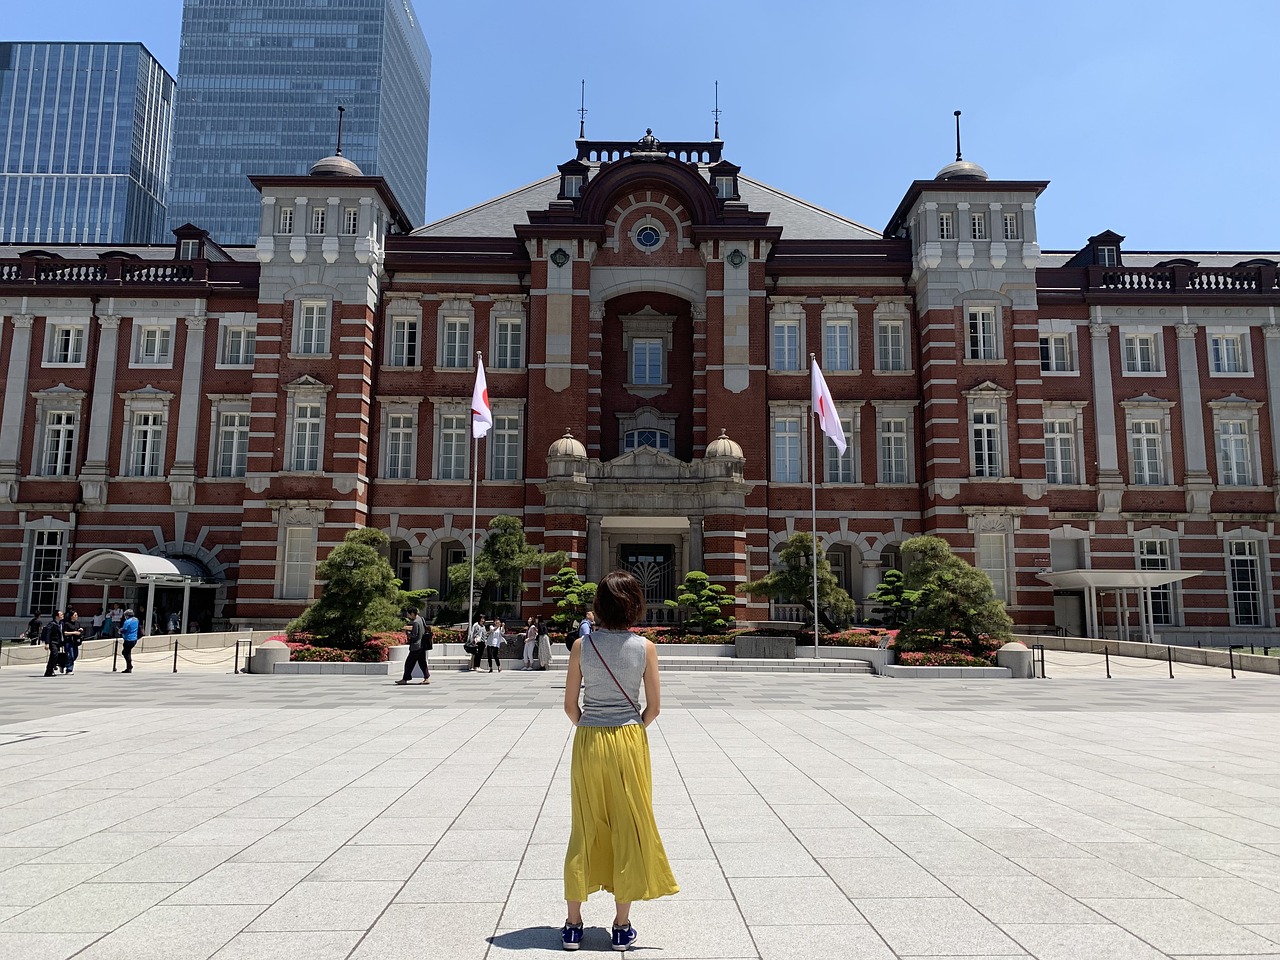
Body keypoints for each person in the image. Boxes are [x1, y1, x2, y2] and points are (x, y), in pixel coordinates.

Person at [561, 570, 677, 952]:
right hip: (629, 739)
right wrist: (631, 726)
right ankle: (621, 926)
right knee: (629, 825)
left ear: (599, 605)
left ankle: (573, 925)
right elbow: (655, 708)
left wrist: (591, 723)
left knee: (585, 825)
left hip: (589, 739)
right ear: (634, 605)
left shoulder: (582, 646)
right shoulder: (645, 648)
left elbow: (569, 707)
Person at [395, 609, 432, 685]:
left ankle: (405, 679)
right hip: (422, 645)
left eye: (409, 614)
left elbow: (414, 635)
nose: (408, 616)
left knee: (409, 663)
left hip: (416, 646)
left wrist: (408, 633)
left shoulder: (415, 622)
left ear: (412, 613)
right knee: (422, 662)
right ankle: (426, 678)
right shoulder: (421, 619)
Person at [41, 610, 65, 677]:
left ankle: (50, 670)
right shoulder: (52, 624)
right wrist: (47, 643)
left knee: (55, 656)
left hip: (58, 642)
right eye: (61, 615)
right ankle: (49, 670)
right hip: (53, 642)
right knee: (54, 655)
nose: (62, 615)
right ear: (56, 616)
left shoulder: (60, 623)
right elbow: (48, 633)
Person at [120, 608, 140, 673]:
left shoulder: (127, 621)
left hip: (128, 639)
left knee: (127, 653)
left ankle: (129, 667)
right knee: (125, 652)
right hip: (134, 639)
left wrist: (120, 631)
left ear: (127, 615)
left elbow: (124, 630)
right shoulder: (136, 620)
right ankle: (129, 666)